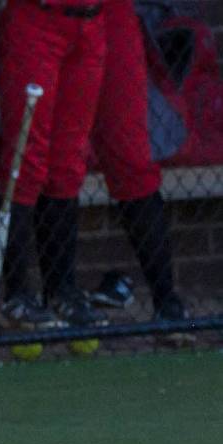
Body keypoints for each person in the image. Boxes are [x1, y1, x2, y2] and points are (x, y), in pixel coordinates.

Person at [0, 0, 109, 331]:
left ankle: (61, 290)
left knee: (69, 162)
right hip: (37, 19)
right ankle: (17, 293)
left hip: (89, 25)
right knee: (26, 159)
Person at [91, 0, 186, 324]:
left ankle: (166, 300)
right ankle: (46, 298)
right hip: (44, 18)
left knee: (132, 161)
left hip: (110, 16)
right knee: (44, 161)